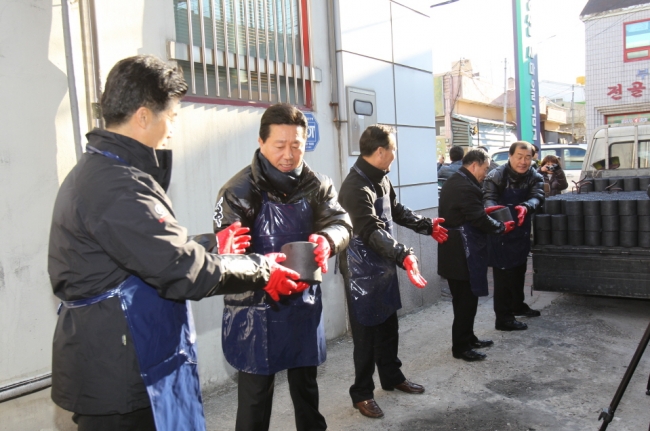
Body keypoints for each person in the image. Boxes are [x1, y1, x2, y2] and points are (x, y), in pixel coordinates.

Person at [48, 56, 305, 431]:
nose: (172, 128)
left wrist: (212, 242)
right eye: (172, 115)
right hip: (121, 370)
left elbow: (144, 249)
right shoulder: (116, 184)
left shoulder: (106, 171)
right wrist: (262, 269)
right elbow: (181, 269)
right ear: (142, 116)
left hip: (121, 357)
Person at [213, 103, 352, 431]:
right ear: (261, 143)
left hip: (301, 302)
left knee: (306, 387)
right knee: (255, 398)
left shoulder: (316, 184)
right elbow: (226, 257)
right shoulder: (237, 192)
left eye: (297, 145)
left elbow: (341, 222)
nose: (289, 154)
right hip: (254, 309)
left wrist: (328, 240)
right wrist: (264, 274)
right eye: (279, 145)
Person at [338, 125, 448, 419]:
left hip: (383, 263)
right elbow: (371, 229)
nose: (395, 155)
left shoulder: (380, 180)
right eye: (394, 149)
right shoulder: (354, 187)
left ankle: (392, 377)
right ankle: (361, 393)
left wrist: (427, 225)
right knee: (365, 336)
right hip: (361, 270)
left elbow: (395, 210)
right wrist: (405, 255)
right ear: (381, 152)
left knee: (388, 326)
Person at [438, 149, 515, 361]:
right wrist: (500, 227)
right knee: (465, 301)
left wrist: (486, 214)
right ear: (474, 165)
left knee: (467, 300)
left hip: (458, 250)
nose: (486, 172)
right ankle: (461, 347)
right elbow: (478, 219)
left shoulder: (460, 181)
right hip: (461, 253)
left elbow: (472, 213)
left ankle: (469, 337)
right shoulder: (464, 186)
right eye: (485, 167)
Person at [483, 141, 545, 331]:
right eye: (519, 156)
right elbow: (488, 199)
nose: (523, 161)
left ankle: (518, 305)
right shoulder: (496, 175)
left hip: (521, 229)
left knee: (519, 270)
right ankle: (503, 318)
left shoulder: (534, 175)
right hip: (500, 229)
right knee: (503, 276)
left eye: (528, 157)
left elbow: (538, 196)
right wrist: (501, 219)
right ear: (510, 156)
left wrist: (527, 206)